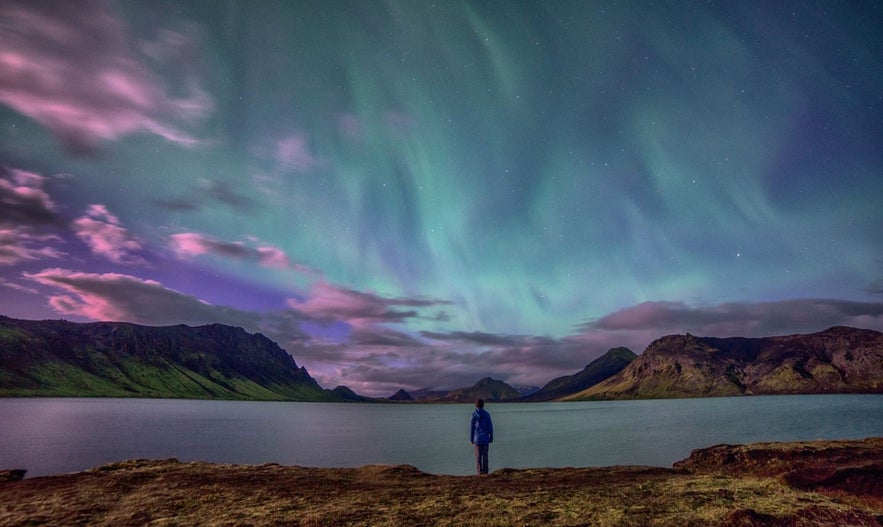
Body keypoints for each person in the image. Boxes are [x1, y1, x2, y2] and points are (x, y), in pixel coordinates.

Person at [470, 398, 493, 475]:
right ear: (483, 405)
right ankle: (486, 472)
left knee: (478, 457)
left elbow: (472, 428)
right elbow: (490, 427)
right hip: (485, 438)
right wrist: (491, 436)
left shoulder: (473, 415)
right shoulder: (487, 414)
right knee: (485, 456)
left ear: (476, 405)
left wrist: (471, 438)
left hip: (477, 439)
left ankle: (479, 472)